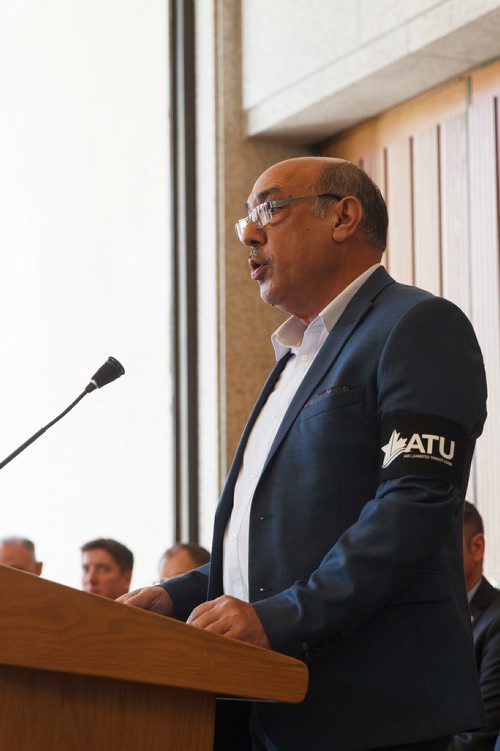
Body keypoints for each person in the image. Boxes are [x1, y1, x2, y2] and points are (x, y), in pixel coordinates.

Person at [119, 157, 487, 750]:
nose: (250, 233)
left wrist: (281, 617)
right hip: (259, 708)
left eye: (268, 209)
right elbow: (272, 551)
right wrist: (178, 595)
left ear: (343, 216)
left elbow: (413, 504)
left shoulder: (417, 326)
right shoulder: (294, 357)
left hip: (368, 711)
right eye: (246, 219)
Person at [449, 502, 500, 750]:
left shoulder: (496, 620)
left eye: (444, 548)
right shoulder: (435, 619)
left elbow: (478, 737)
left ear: (477, 547)